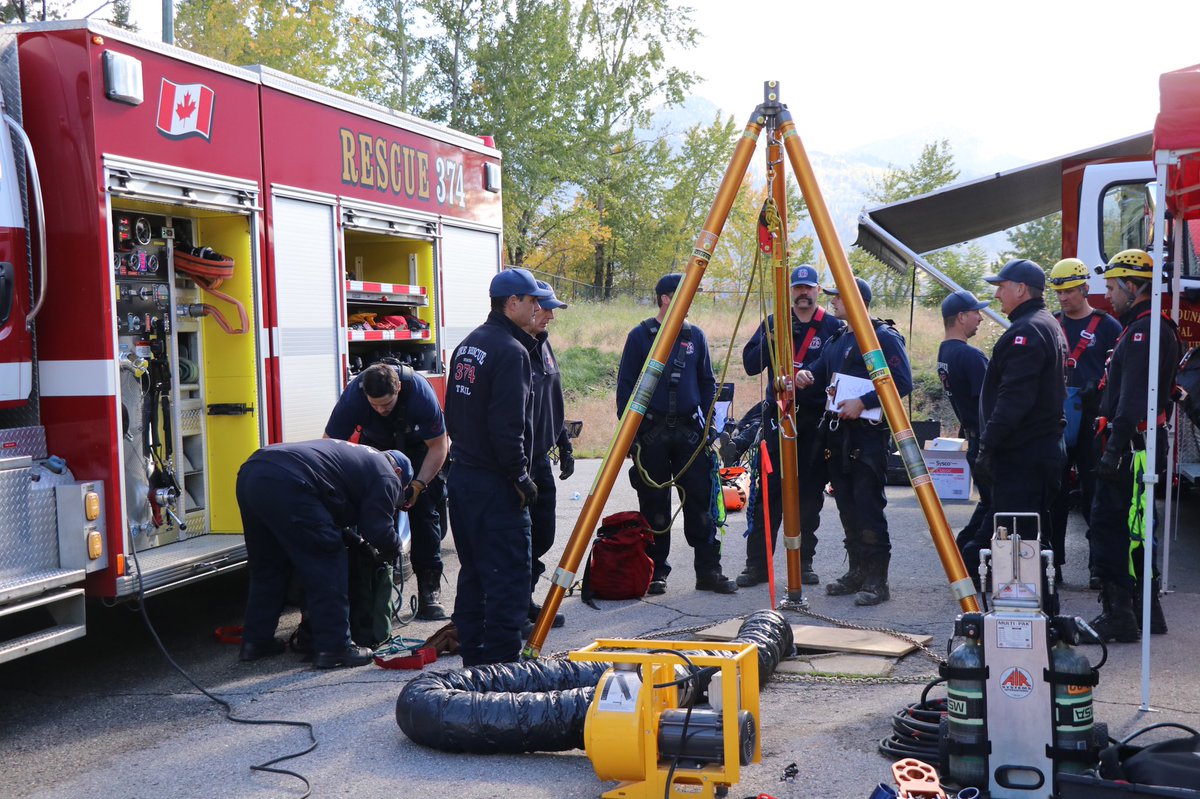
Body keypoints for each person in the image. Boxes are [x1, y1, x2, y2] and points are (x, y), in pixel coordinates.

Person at [443, 267, 550, 665]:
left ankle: (474, 665)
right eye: (532, 301)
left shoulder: (470, 344)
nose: (538, 307)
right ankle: (504, 671)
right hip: (495, 484)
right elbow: (508, 426)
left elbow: (453, 413)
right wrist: (521, 476)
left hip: (464, 479)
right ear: (512, 303)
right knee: (508, 579)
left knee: (473, 575)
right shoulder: (512, 351)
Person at [235, 439, 411, 669]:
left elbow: (330, 504)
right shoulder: (387, 474)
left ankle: (256, 642)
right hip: (289, 481)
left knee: (268, 566)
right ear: (398, 472)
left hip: (252, 472)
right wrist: (394, 547)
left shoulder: (359, 457)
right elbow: (377, 529)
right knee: (327, 559)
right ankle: (335, 647)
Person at [616, 273, 736, 595]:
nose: (689, 302)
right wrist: (629, 435)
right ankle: (656, 572)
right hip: (651, 434)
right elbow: (626, 386)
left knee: (701, 504)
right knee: (654, 505)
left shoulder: (695, 336)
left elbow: (708, 383)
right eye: (684, 295)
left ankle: (708, 570)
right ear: (666, 299)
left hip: (690, 435)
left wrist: (712, 425)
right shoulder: (640, 337)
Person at [1082, 249, 1180, 644]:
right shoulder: (1144, 327)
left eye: (1112, 287)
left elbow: (1135, 397)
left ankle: (1119, 614)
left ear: (1132, 286)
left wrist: (1113, 449)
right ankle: (1146, 611)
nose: (1109, 296)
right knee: (1134, 529)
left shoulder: (1144, 331)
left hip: (1131, 450)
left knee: (1113, 529)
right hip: (1135, 447)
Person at [796, 277, 911, 605]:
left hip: (867, 437)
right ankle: (857, 571)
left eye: (838, 298)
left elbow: (900, 381)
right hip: (837, 437)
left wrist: (864, 401)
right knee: (847, 506)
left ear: (857, 301)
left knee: (868, 507)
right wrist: (805, 375)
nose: (832, 302)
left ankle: (878, 580)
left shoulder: (880, 338)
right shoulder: (838, 338)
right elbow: (818, 374)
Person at [736, 264, 844, 588]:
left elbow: (840, 370)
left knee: (809, 495)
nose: (803, 294)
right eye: (797, 289)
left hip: (812, 423)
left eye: (808, 289)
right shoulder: (775, 323)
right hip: (778, 419)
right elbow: (750, 364)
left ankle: (804, 563)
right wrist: (769, 339)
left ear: (817, 291)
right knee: (768, 495)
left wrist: (812, 376)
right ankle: (756, 566)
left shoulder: (832, 327)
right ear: (790, 292)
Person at [324, 360, 450, 621]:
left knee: (424, 515)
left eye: (387, 404)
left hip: (419, 451)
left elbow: (439, 446)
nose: (381, 410)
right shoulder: (354, 397)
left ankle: (429, 592)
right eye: (375, 405)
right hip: (377, 451)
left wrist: (418, 484)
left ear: (399, 388)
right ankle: (377, 592)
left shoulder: (419, 393)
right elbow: (330, 446)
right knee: (375, 518)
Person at [975, 259, 1067, 547]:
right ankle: (1038, 590)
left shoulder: (1027, 331)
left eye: (1002, 287)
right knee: (1032, 535)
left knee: (1020, 541)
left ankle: (1032, 591)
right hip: (1038, 451)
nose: (997, 294)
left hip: (1023, 456)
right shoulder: (1046, 323)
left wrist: (987, 445)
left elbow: (1014, 399)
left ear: (1021, 289)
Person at [1046, 258, 1122, 588]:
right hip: (1058, 419)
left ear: (1084, 288)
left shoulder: (1107, 327)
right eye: (1059, 292)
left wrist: (1102, 390)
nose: (1063, 298)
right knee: (1054, 496)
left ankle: (1097, 565)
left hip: (1094, 419)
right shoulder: (1050, 324)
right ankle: (1054, 565)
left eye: (1069, 292)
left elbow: (1120, 371)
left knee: (1095, 497)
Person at [523, 280, 573, 630]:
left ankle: (524, 598)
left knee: (543, 534)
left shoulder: (543, 345)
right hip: (517, 462)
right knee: (520, 537)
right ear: (528, 306)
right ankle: (516, 607)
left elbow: (551, 399)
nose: (552, 316)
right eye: (546, 308)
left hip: (541, 457)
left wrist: (564, 443)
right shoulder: (515, 350)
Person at [937, 289, 992, 585]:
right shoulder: (970, 356)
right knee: (997, 505)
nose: (980, 318)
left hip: (972, 437)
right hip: (985, 440)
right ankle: (970, 558)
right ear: (961, 317)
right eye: (975, 312)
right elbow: (990, 403)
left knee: (988, 502)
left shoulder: (945, 352)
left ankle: (960, 553)